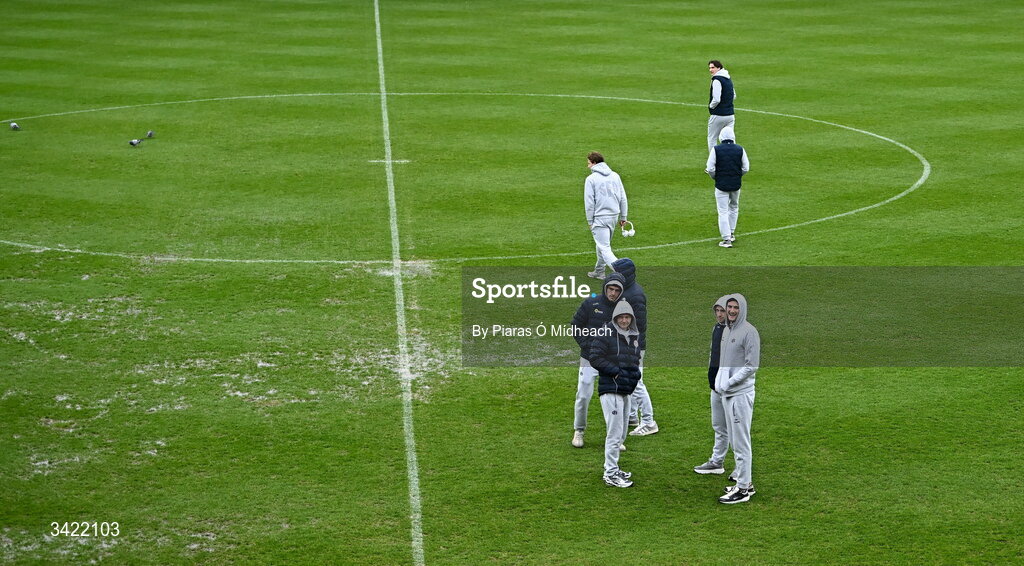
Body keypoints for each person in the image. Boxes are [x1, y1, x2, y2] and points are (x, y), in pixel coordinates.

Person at [587, 300, 642, 487]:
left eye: (627, 317)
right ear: (615, 317)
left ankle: (614, 468)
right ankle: (610, 473)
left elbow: (634, 361)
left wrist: (634, 377)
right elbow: (594, 357)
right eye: (621, 317)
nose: (624, 320)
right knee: (614, 433)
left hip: (625, 390)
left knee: (622, 433)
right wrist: (615, 372)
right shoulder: (605, 334)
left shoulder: (633, 336)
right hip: (611, 389)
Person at [570, 273, 626, 448]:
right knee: (583, 395)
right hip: (589, 359)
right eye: (610, 289)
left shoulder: (624, 308)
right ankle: (579, 430)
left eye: (617, 290)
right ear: (605, 288)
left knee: (614, 398)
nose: (613, 293)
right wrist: (588, 347)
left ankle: (615, 437)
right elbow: (575, 326)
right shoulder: (590, 303)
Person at [714, 294, 760, 504]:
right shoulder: (726, 330)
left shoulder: (749, 332)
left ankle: (743, 489)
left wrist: (730, 382)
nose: (732, 311)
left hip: (739, 395)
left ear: (742, 309)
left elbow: (752, 366)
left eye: (735, 308)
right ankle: (745, 482)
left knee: (741, 443)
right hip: (727, 393)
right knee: (735, 441)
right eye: (729, 307)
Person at [610, 258, 658, 436]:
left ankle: (649, 421)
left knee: (636, 382)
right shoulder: (626, 291)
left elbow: (641, 325)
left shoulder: (634, 295)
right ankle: (631, 416)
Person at [693, 296, 732, 479]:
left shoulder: (736, 332)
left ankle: (742, 469)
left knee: (736, 430)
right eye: (717, 310)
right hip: (715, 385)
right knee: (719, 425)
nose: (719, 314)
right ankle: (717, 461)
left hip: (731, 389)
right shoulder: (716, 328)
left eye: (722, 310)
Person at [584, 152, 628, 280]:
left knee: (605, 248)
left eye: (588, 163)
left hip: (600, 217)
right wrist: (623, 217)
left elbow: (589, 202)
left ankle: (623, 272)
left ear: (594, 163)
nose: (588, 166)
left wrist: (589, 220)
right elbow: (623, 198)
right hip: (614, 216)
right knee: (602, 245)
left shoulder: (591, 179)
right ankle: (599, 271)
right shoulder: (615, 176)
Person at [705, 126, 749, 248]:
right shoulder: (740, 149)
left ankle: (726, 239)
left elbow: (710, 168)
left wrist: (715, 177)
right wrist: (737, 175)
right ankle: (732, 233)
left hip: (721, 185)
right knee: (734, 207)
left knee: (723, 211)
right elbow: (746, 168)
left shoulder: (716, 149)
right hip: (736, 184)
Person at [707, 60, 737, 153]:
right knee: (730, 139)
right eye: (709, 68)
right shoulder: (728, 79)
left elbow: (716, 99)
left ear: (718, 68)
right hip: (730, 115)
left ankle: (713, 163)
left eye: (712, 67)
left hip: (718, 115)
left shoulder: (717, 79)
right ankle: (733, 160)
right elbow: (734, 95)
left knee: (712, 138)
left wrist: (711, 106)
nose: (710, 70)